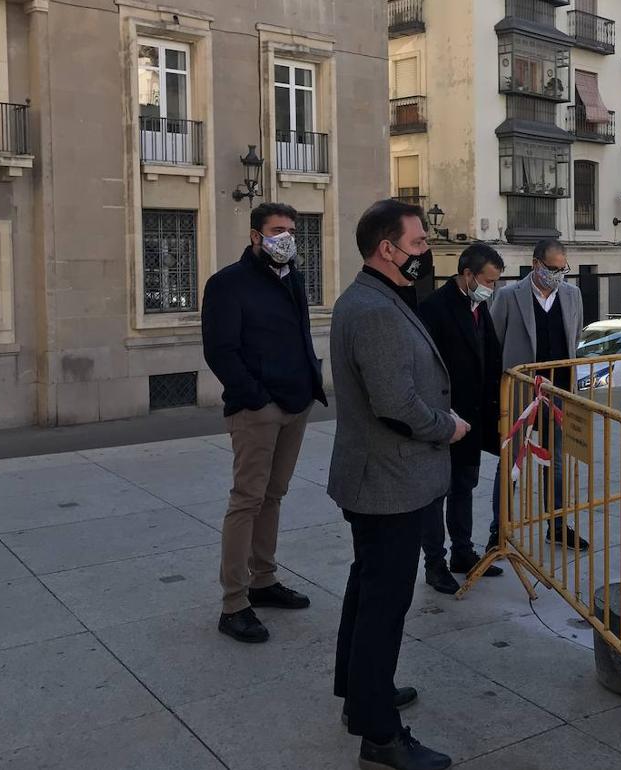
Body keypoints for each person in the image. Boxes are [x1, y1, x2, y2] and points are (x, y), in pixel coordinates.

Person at [328, 199, 464, 770]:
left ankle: (361, 696)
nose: (426, 251)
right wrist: (448, 427)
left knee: (367, 587)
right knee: (385, 602)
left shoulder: (373, 297)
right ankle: (380, 736)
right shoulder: (377, 310)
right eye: (417, 243)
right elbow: (394, 403)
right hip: (388, 480)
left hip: (379, 476)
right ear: (387, 249)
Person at [201, 202, 325, 644]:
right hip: (258, 409)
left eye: (292, 229)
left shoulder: (292, 277)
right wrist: (256, 398)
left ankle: (264, 579)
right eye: (277, 230)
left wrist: (310, 384)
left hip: (296, 404)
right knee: (246, 501)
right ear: (256, 236)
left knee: (273, 496)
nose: (287, 237)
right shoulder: (227, 284)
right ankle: (234, 603)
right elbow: (220, 351)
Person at [486, 239, 589, 552]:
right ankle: (499, 531)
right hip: (519, 395)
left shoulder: (572, 295)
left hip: (558, 395)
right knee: (510, 463)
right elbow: (494, 343)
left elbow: (577, 335)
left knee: (555, 463)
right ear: (535, 265)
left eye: (562, 269)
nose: (558, 275)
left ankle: (556, 526)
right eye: (552, 269)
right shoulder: (508, 296)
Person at [416, 244, 507, 594]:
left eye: (496, 282)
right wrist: (442, 416)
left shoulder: (479, 306)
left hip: (474, 416)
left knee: (464, 487)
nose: (492, 288)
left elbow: (490, 354)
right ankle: (434, 563)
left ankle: (463, 553)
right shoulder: (436, 308)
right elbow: (427, 368)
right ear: (468, 275)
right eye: (488, 280)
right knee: (436, 493)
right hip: (444, 418)